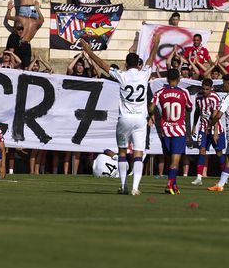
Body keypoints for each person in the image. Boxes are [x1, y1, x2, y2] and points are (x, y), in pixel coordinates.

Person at [80, 35, 160, 195]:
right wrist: (156, 43)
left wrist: (88, 51)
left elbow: (103, 65)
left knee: (122, 152)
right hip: (140, 119)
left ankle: (123, 186)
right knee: (138, 154)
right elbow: (151, 59)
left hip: (124, 119)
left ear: (125, 64)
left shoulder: (122, 75)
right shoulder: (144, 74)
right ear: (138, 64)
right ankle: (135, 188)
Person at [150, 69, 193, 194]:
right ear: (179, 80)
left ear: (167, 79)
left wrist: (151, 116)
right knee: (175, 161)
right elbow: (189, 107)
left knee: (170, 159)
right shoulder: (184, 92)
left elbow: (151, 106)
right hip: (178, 130)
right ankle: (169, 185)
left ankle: (174, 185)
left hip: (165, 130)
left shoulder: (160, 92)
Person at [191, 78, 225, 186]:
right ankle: (199, 177)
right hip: (203, 128)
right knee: (202, 151)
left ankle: (224, 177)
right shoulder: (199, 97)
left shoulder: (215, 97)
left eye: (207, 89)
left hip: (216, 128)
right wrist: (194, 126)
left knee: (219, 152)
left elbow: (215, 116)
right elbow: (197, 111)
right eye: (203, 89)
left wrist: (215, 132)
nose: (205, 91)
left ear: (211, 88)